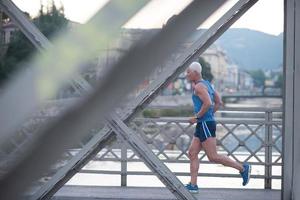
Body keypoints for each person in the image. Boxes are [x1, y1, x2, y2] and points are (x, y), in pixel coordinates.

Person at [184, 61, 251, 193]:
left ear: (195, 73)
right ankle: (193, 185)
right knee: (192, 153)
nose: (186, 74)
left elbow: (208, 103)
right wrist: (208, 116)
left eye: (188, 72)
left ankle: (243, 168)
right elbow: (219, 102)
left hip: (204, 124)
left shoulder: (198, 87)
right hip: (204, 124)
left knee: (213, 156)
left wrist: (197, 117)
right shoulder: (208, 84)